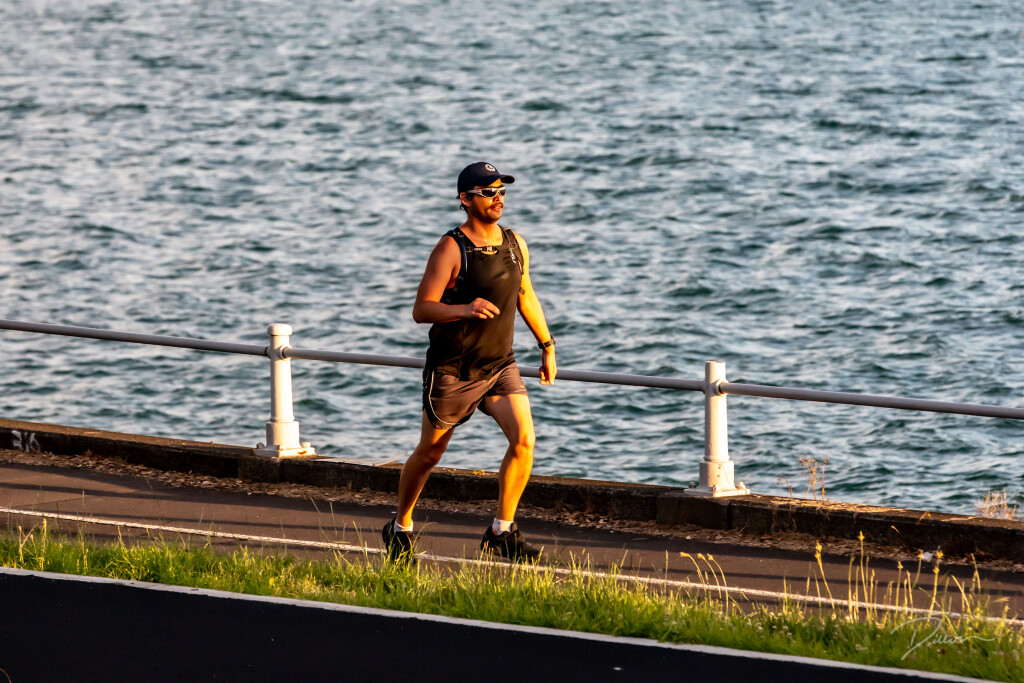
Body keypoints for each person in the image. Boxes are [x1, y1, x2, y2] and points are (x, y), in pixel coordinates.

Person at [382, 161, 557, 563]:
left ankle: (501, 532)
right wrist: (465, 308)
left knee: (524, 440)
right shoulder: (451, 247)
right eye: (488, 192)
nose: (498, 198)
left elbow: (525, 294)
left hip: (500, 366)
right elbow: (422, 309)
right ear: (465, 199)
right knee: (430, 453)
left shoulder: (515, 243)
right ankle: (400, 527)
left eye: (501, 191)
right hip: (453, 370)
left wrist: (547, 344)